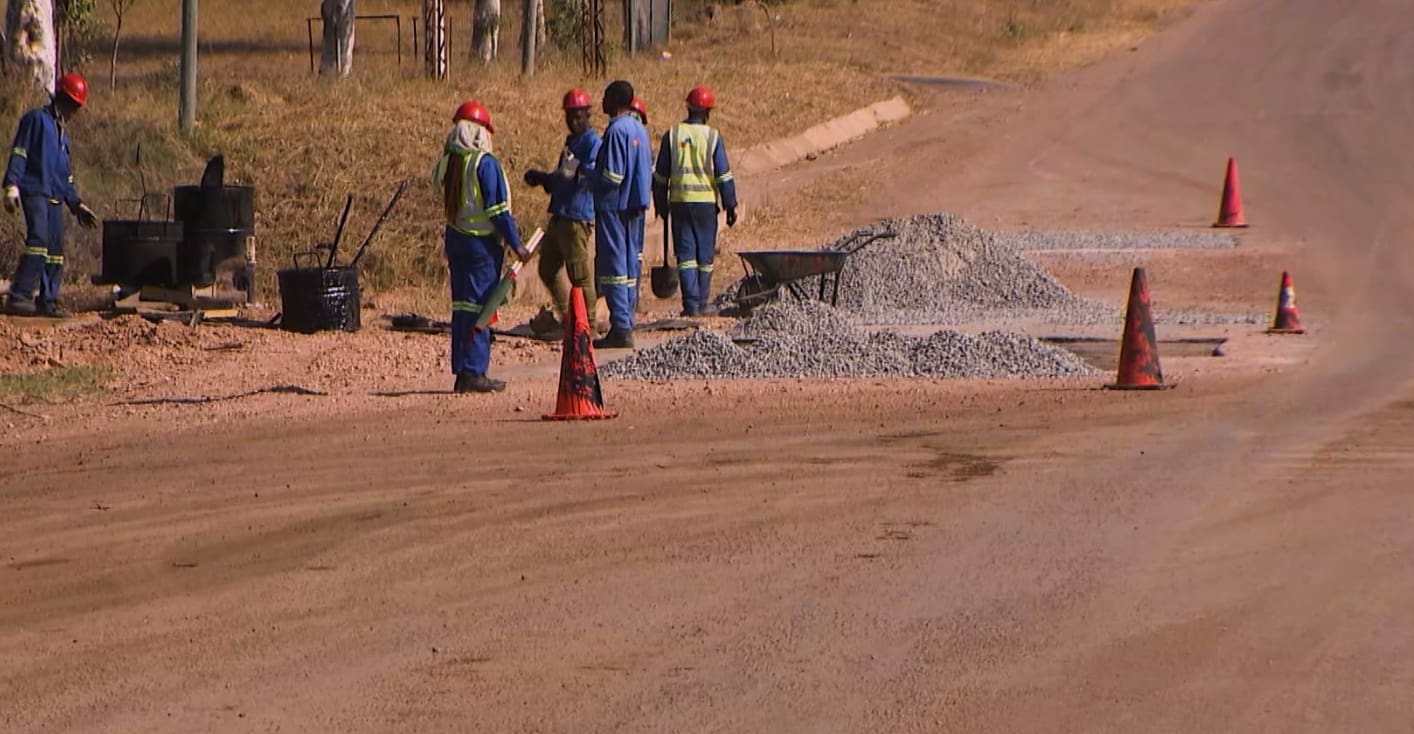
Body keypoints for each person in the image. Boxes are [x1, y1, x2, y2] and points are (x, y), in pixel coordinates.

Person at [432, 101, 531, 394]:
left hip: (455, 238)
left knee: (462, 306)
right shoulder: (485, 164)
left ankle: (462, 370)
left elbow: (438, 184)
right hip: (481, 246)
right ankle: (475, 372)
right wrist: (517, 245)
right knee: (481, 308)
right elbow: (499, 211)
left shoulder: (447, 163)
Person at [3, 73, 99, 317]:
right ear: (59, 97)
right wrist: (11, 184)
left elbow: (64, 177)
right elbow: (20, 151)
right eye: (69, 102)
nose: (72, 109)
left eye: (76, 106)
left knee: (55, 252)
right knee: (39, 242)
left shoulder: (63, 137)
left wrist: (77, 205)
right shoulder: (36, 120)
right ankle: (19, 296)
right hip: (35, 190)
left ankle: (49, 301)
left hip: (55, 196)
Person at [652, 85, 738, 317]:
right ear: (708, 112)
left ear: (688, 108)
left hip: (679, 204)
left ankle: (690, 305)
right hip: (705, 206)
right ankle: (702, 302)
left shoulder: (673, 135)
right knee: (705, 256)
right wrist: (731, 205)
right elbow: (723, 175)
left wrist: (660, 203)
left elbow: (660, 176)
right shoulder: (712, 137)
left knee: (686, 256)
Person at [523, 88, 601, 336]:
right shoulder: (572, 142)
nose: (574, 121)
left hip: (577, 217)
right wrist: (543, 178)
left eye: (578, 116)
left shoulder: (592, 142)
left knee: (579, 275)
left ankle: (587, 326)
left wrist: (569, 173)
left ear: (587, 115)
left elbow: (587, 175)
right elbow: (562, 177)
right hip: (560, 214)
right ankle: (570, 318)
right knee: (547, 268)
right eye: (570, 116)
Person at [590, 80, 652, 349]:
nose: (601, 101)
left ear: (615, 100)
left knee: (614, 268)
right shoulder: (640, 128)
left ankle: (621, 328)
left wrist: (588, 176)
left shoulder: (616, 131)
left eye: (605, 96)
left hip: (614, 206)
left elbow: (613, 176)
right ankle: (625, 321)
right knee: (628, 267)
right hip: (635, 206)